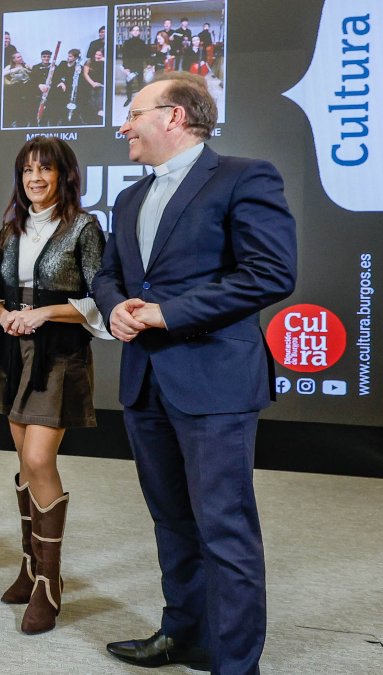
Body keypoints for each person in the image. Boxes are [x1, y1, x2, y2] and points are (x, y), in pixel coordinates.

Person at [95, 72, 297, 672]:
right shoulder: (131, 197)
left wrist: (168, 313)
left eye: (133, 114)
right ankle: (184, 634)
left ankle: (235, 664)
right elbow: (108, 275)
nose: (123, 126)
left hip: (214, 382)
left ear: (175, 117)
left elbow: (269, 273)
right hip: (145, 382)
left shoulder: (244, 176)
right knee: (172, 521)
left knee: (223, 529)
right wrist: (117, 310)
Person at [0, 136, 110, 634]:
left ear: (63, 175)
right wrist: (3, 315)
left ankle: (49, 584)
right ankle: (28, 566)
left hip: (59, 354)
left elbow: (100, 298)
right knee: (22, 461)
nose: (35, 178)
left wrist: (42, 314)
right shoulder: (9, 230)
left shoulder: (84, 227)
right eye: (28, 170)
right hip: (13, 353)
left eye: (46, 170)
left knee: (39, 460)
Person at [2, 51, 33, 128]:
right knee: (14, 109)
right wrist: (14, 70)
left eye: (21, 56)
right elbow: (1, 74)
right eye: (18, 57)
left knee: (24, 110)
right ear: (14, 60)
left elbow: (33, 74)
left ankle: (23, 124)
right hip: (14, 91)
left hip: (25, 91)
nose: (21, 58)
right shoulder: (9, 67)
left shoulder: (26, 65)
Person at [121, 25, 150, 106]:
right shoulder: (127, 43)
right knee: (129, 83)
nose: (135, 32)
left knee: (140, 83)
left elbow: (146, 55)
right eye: (134, 30)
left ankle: (140, 99)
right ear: (131, 32)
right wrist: (126, 68)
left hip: (139, 66)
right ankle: (129, 99)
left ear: (140, 32)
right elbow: (125, 56)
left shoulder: (142, 43)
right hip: (129, 66)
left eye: (137, 30)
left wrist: (148, 64)